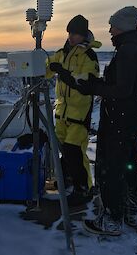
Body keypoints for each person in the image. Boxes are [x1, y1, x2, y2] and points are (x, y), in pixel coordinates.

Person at [56, 6, 137, 235]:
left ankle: (111, 220)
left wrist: (93, 87)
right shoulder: (135, 45)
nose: (109, 30)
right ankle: (129, 211)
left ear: (123, 26)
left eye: (113, 25)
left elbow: (122, 89)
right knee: (129, 164)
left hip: (120, 117)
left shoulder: (128, 50)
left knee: (112, 167)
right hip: (127, 116)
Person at [46, 15, 102, 206]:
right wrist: (40, 65)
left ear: (84, 34)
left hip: (79, 113)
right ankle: (68, 178)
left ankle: (84, 188)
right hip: (62, 112)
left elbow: (84, 82)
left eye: (76, 33)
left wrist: (61, 71)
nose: (71, 37)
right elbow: (47, 68)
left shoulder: (89, 56)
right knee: (64, 150)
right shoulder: (62, 53)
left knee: (75, 151)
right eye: (70, 33)